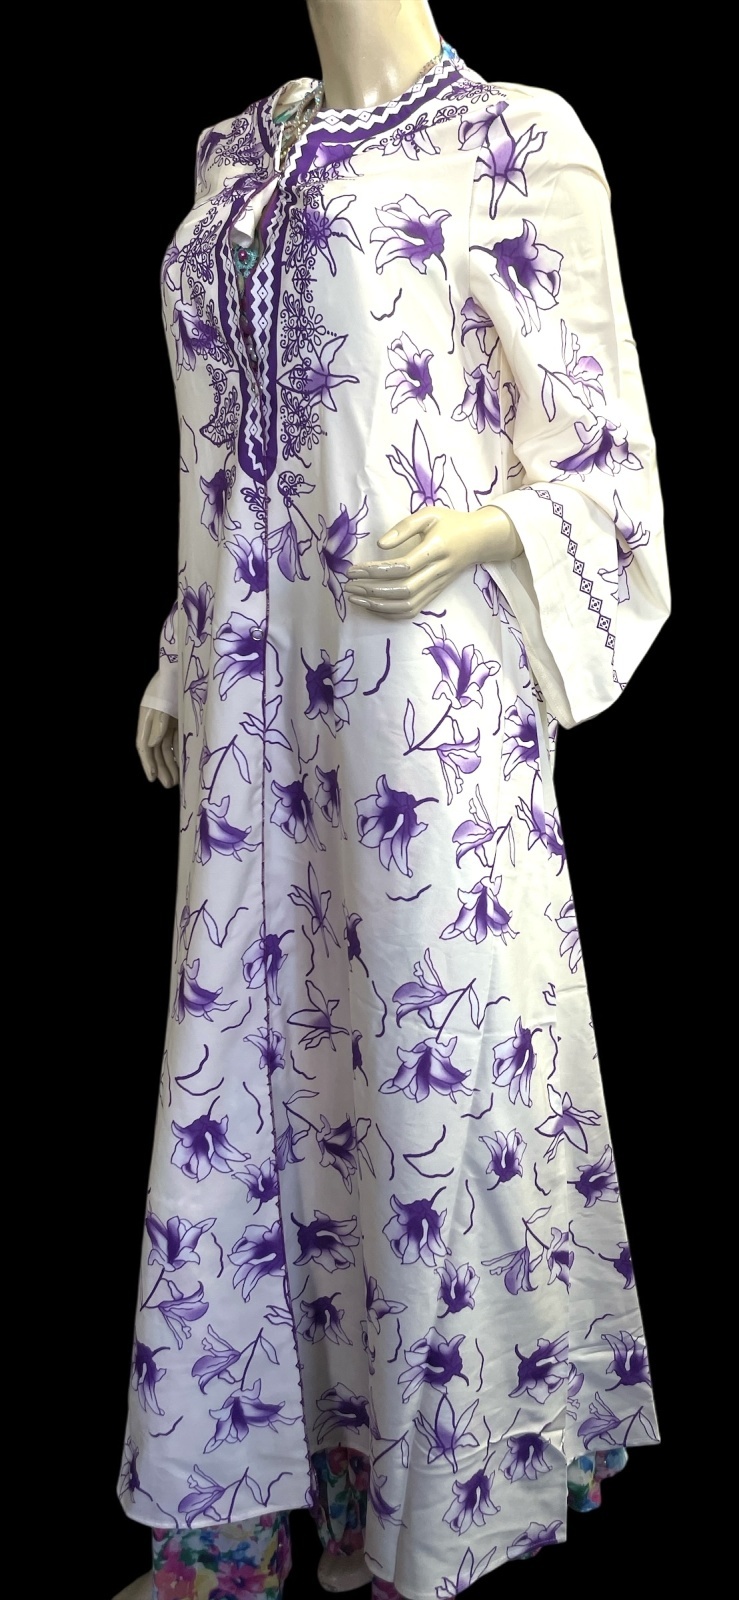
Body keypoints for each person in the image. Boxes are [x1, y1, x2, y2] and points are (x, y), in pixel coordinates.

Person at [118, 3, 669, 1597]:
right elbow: (209, 455)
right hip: (255, 706)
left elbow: (607, 465)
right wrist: (182, 652)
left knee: (424, 1065)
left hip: (419, 704)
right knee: (256, 1066)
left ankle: (439, 1493)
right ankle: (249, 1503)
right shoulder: (234, 154)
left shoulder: (514, 140)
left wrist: (486, 529)